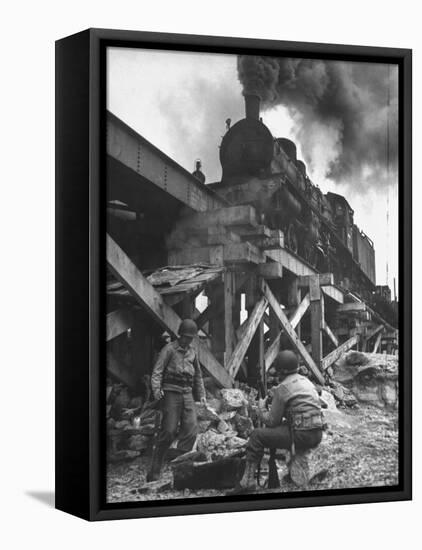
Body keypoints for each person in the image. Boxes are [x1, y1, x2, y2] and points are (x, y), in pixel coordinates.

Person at [234, 350, 323, 493]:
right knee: (284, 428)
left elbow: (271, 422)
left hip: (301, 435)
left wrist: (261, 409)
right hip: (317, 433)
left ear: (281, 370)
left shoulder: (283, 387)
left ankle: (247, 482)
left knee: (257, 435)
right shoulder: (306, 381)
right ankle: (293, 470)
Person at [147, 319, 206, 481]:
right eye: (186, 337)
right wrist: (156, 389)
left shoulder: (193, 352)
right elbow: (157, 371)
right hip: (171, 392)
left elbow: (198, 376)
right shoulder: (169, 350)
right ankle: (154, 470)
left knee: (192, 429)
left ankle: (179, 464)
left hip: (187, 392)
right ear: (180, 335)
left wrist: (202, 394)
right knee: (169, 431)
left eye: (191, 338)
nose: (188, 340)